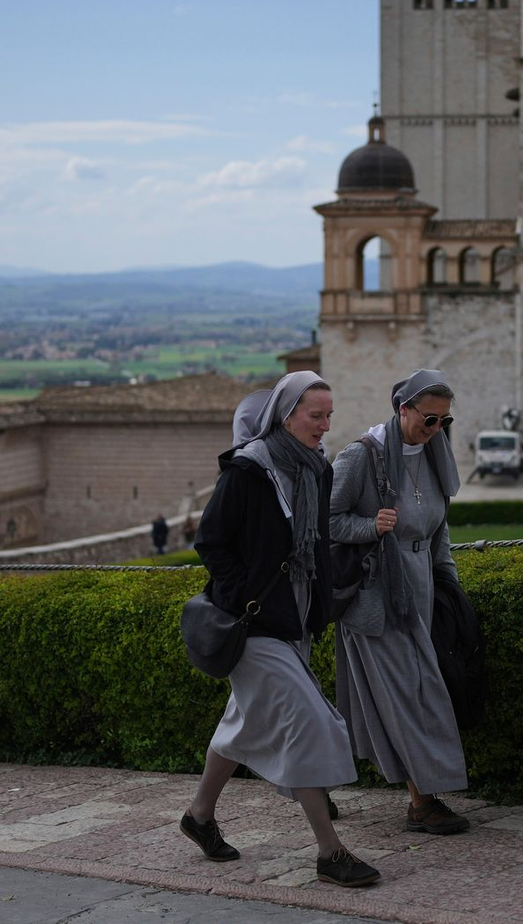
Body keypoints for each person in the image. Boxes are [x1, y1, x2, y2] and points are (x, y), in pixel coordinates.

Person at [181, 371, 380, 889]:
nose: (325, 425)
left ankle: (199, 817)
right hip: (252, 627)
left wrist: (319, 608)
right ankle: (330, 852)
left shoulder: (316, 470)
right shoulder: (248, 470)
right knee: (310, 722)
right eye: (316, 415)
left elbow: (315, 547)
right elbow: (211, 542)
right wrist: (240, 592)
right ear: (286, 415)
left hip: (293, 620)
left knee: (242, 722)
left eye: (329, 415)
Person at [330, 368, 470, 835]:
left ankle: (315, 782)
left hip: (421, 593)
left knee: (413, 691)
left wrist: (450, 587)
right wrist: (371, 527)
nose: (435, 430)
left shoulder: (433, 455)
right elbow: (324, 521)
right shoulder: (360, 456)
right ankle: (422, 802)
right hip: (376, 599)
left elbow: (438, 530)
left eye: (444, 422)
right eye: (429, 420)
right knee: (409, 695)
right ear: (402, 409)